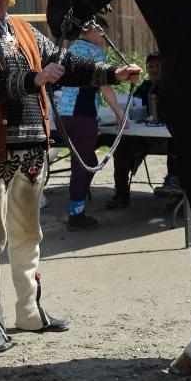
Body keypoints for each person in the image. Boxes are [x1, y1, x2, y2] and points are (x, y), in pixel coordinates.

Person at [0, 0, 141, 354]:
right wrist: (32, 78)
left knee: (29, 234)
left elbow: (64, 62)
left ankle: (29, 313)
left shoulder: (24, 30)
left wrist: (110, 74)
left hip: (32, 147)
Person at [55, 17, 125, 229]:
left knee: (87, 162)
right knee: (83, 166)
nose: (104, 38)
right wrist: (120, 114)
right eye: (101, 32)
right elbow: (104, 86)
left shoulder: (69, 50)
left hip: (62, 115)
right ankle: (76, 215)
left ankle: (78, 205)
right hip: (81, 115)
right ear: (91, 29)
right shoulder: (94, 53)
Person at [105, 51, 180, 209]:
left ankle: (176, 192)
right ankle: (121, 193)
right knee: (123, 146)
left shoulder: (174, 85)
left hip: (168, 139)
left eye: (157, 66)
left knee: (179, 143)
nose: (153, 70)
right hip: (146, 137)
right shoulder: (145, 86)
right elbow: (133, 105)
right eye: (150, 66)